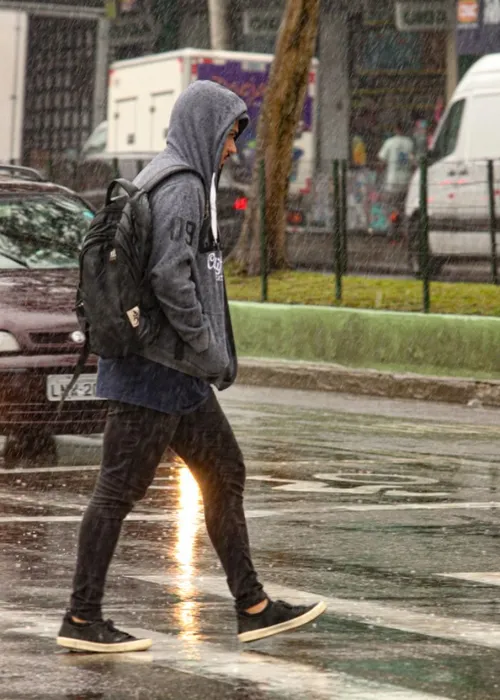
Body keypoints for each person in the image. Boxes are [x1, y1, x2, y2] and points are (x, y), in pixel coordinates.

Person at [56, 81, 326, 654]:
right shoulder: (180, 186)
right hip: (157, 370)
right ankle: (81, 619)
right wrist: (208, 348)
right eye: (230, 135)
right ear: (206, 128)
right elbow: (170, 279)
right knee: (117, 491)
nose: (233, 149)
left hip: (176, 375)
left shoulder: (173, 178)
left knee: (224, 473)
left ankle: (252, 606)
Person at [378, 121, 414, 239]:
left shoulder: (389, 142)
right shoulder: (409, 143)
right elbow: (413, 162)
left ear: (395, 130)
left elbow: (382, 160)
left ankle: (392, 234)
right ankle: (406, 234)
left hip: (392, 182)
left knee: (393, 209)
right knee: (404, 210)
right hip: (406, 182)